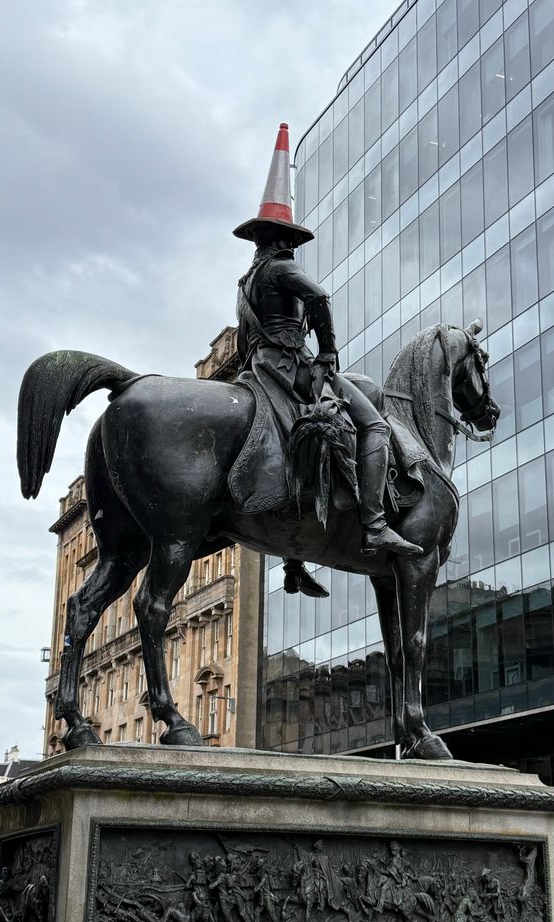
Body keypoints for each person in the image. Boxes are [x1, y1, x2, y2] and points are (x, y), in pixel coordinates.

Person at [233, 123, 423, 595]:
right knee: (375, 424)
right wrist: (329, 352)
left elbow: (243, 341)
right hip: (292, 366)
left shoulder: (248, 281)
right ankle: (375, 523)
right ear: (284, 239)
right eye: (291, 241)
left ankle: (293, 561)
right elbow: (320, 298)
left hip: (259, 369)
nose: (292, 248)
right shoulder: (282, 268)